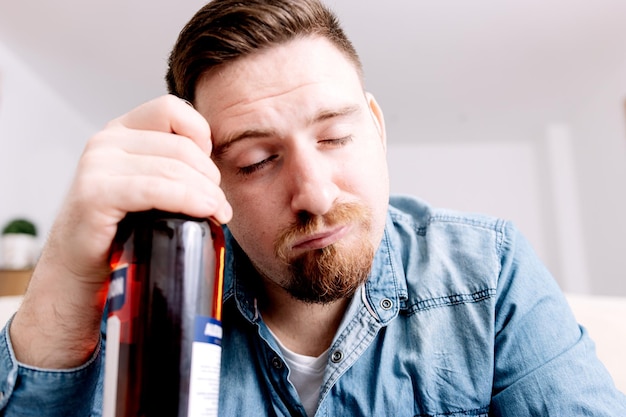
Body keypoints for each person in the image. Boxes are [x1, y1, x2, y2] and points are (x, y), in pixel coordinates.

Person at [1, 0, 625, 415]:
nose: (316, 195)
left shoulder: (488, 271)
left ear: (377, 129)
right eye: (254, 162)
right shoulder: (154, 302)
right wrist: (63, 271)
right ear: (207, 177)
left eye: (334, 137)